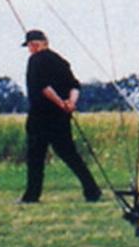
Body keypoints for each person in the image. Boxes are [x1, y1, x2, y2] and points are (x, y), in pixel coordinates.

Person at [20, 29, 102, 203]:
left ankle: (32, 195)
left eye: (29, 46)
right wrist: (70, 103)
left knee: (36, 157)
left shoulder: (35, 60)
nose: (29, 49)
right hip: (60, 117)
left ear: (33, 44)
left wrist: (59, 102)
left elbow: (43, 87)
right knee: (70, 154)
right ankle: (92, 190)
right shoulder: (60, 61)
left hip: (41, 116)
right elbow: (74, 85)